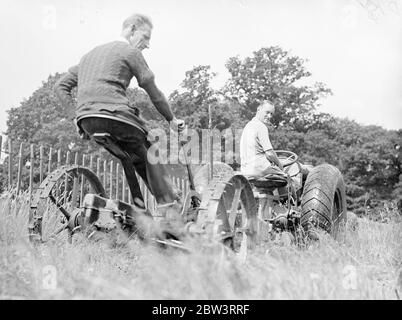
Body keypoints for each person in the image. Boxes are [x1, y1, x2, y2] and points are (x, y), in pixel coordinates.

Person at [54, 13, 184, 215]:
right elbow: (154, 92)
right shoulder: (130, 52)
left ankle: (143, 208)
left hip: (88, 121)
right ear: (132, 29)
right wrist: (171, 119)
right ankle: (170, 209)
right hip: (116, 116)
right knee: (151, 149)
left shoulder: (89, 56)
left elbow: (60, 86)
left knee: (136, 156)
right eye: (146, 37)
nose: (147, 44)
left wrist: (74, 117)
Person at [239, 100, 284, 179]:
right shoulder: (261, 126)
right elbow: (269, 153)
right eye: (267, 112)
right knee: (287, 179)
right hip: (260, 169)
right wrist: (279, 164)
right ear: (259, 109)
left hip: (246, 170)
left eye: (271, 114)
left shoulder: (248, 126)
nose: (269, 116)